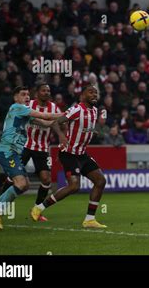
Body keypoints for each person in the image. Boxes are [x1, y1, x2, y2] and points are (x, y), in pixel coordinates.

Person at [30, 86, 108, 229]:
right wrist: (61, 136)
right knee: (74, 186)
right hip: (68, 154)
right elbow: (56, 122)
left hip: (82, 154)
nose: (94, 94)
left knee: (100, 181)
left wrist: (91, 131)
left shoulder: (95, 111)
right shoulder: (77, 109)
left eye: (96, 92)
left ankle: (89, 219)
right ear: (83, 95)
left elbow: (82, 127)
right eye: (90, 92)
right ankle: (39, 208)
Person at [0, 86, 64, 230]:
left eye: (28, 95)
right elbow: (46, 116)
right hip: (7, 151)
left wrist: (66, 119)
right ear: (16, 98)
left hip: (14, 153)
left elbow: (47, 123)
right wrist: (67, 113)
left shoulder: (25, 115)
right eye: (23, 94)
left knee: (25, 185)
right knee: (21, 183)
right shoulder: (17, 107)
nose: (27, 97)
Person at [21, 82, 62, 222]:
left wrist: (61, 135)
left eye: (48, 90)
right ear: (37, 93)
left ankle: (36, 210)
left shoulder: (53, 107)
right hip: (25, 145)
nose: (46, 92)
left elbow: (57, 122)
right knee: (14, 176)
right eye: (43, 90)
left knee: (46, 179)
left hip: (42, 148)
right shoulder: (29, 105)